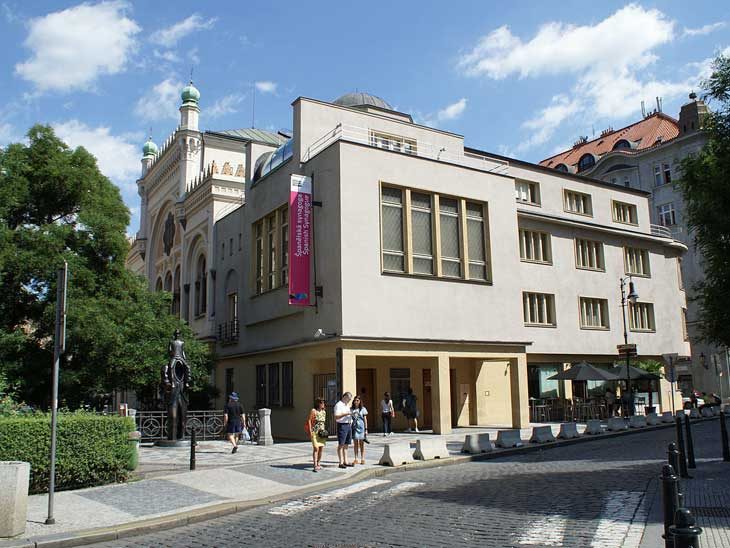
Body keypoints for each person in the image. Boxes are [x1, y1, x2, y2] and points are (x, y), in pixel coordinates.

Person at [305, 398, 327, 472]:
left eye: (323, 403)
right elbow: (309, 420)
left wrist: (325, 431)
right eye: (322, 403)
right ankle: (315, 465)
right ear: (318, 403)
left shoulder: (324, 412)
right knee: (316, 448)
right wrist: (311, 430)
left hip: (322, 433)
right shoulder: (314, 411)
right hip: (315, 431)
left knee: (321, 448)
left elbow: (323, 423)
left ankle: (318, 463)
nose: (323, 404)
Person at [333, 392, 354, 469]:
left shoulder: (347, 405)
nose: (349, 401)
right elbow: (336, 417)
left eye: (350, 399)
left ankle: (346, 461)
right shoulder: (338, 405)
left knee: (346, 444)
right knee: (341, 444)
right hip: (342, 425)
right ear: (344, 397)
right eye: (348, 399)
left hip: (348, 425)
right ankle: (340, 462)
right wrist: (346, 414)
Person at [351, 395, 369, 464]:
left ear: (360, 401)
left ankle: (362, 458)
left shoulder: (363, 409)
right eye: (355, 400)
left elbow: (365, 420)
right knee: (355, 444)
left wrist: (366, 429)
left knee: (362, 444)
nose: (356, 402)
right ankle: (356, 458)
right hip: (355, 427)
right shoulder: (351, 409)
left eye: (357, 400)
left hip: (361, 427)